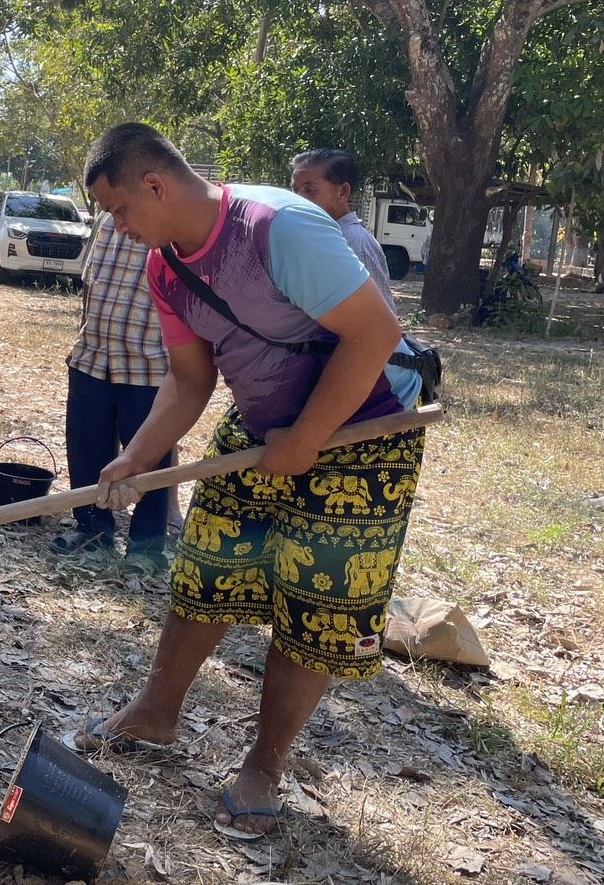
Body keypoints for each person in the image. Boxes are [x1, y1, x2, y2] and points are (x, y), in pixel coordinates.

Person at [73, 123, 426, 843]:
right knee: (209, 570)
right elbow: (189, 379)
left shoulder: (274, 226)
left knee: (315, 607)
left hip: (365, 431)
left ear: (154, 186)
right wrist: (138, 456)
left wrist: (307, 438)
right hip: (263, 427)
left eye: (119, 210)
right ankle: (155, 713)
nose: (118, 227)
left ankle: (263, 766)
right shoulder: (163, 268)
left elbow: (375, 335)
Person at [56, 209, 173, 563]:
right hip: (93, 356)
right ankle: (93, 531)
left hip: (147, 363)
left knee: (152, 458)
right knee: (86, 448)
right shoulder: (106, 221)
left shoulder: (168, 224)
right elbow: (89, 282)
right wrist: (82, 333)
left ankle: (147, 548)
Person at [289, 148, 396, 311]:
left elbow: (378, 317)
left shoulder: (354, 244)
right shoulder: (317, 237)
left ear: (343, 192)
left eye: (310, 190)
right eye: (295, 190)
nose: (299, 198)